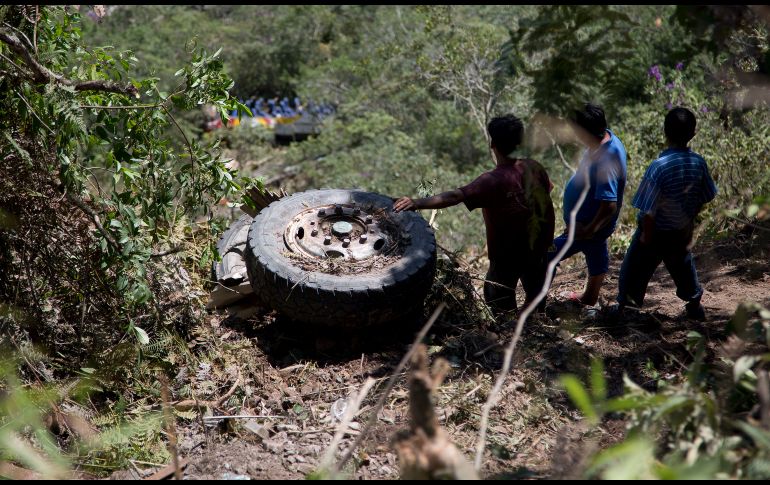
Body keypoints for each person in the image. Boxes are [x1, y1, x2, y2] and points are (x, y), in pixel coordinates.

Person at [394, 115, 555, 315]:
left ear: (492, 144)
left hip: (507, 256)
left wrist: (417, 202)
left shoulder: (492, 181)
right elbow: (547, 194)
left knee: (497, 299)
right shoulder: (534, 167)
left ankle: (514, 334)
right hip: (538, 248)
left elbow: (455, 196)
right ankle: (533, 328)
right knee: (536, 295)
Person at [612, 107, 717, 321]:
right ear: (693, 133)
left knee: (634, 270)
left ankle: (626, 308)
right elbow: (706, 196)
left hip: (654, 232)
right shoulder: (698, 163)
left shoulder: (658, 167)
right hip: (680, 231)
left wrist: (646, 236)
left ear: (665, 133)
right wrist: (689, 220)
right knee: (684, 268)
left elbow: (648, 210)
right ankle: (694, 304)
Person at [548, 103, 627, 307]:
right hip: (588, 227)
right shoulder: (605, 141)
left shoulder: (606, 160)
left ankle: (536, 302)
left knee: (547, 256)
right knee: (596, 252)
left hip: (587, 228)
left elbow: (609, 205)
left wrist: (587, 229)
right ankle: (590, 297)